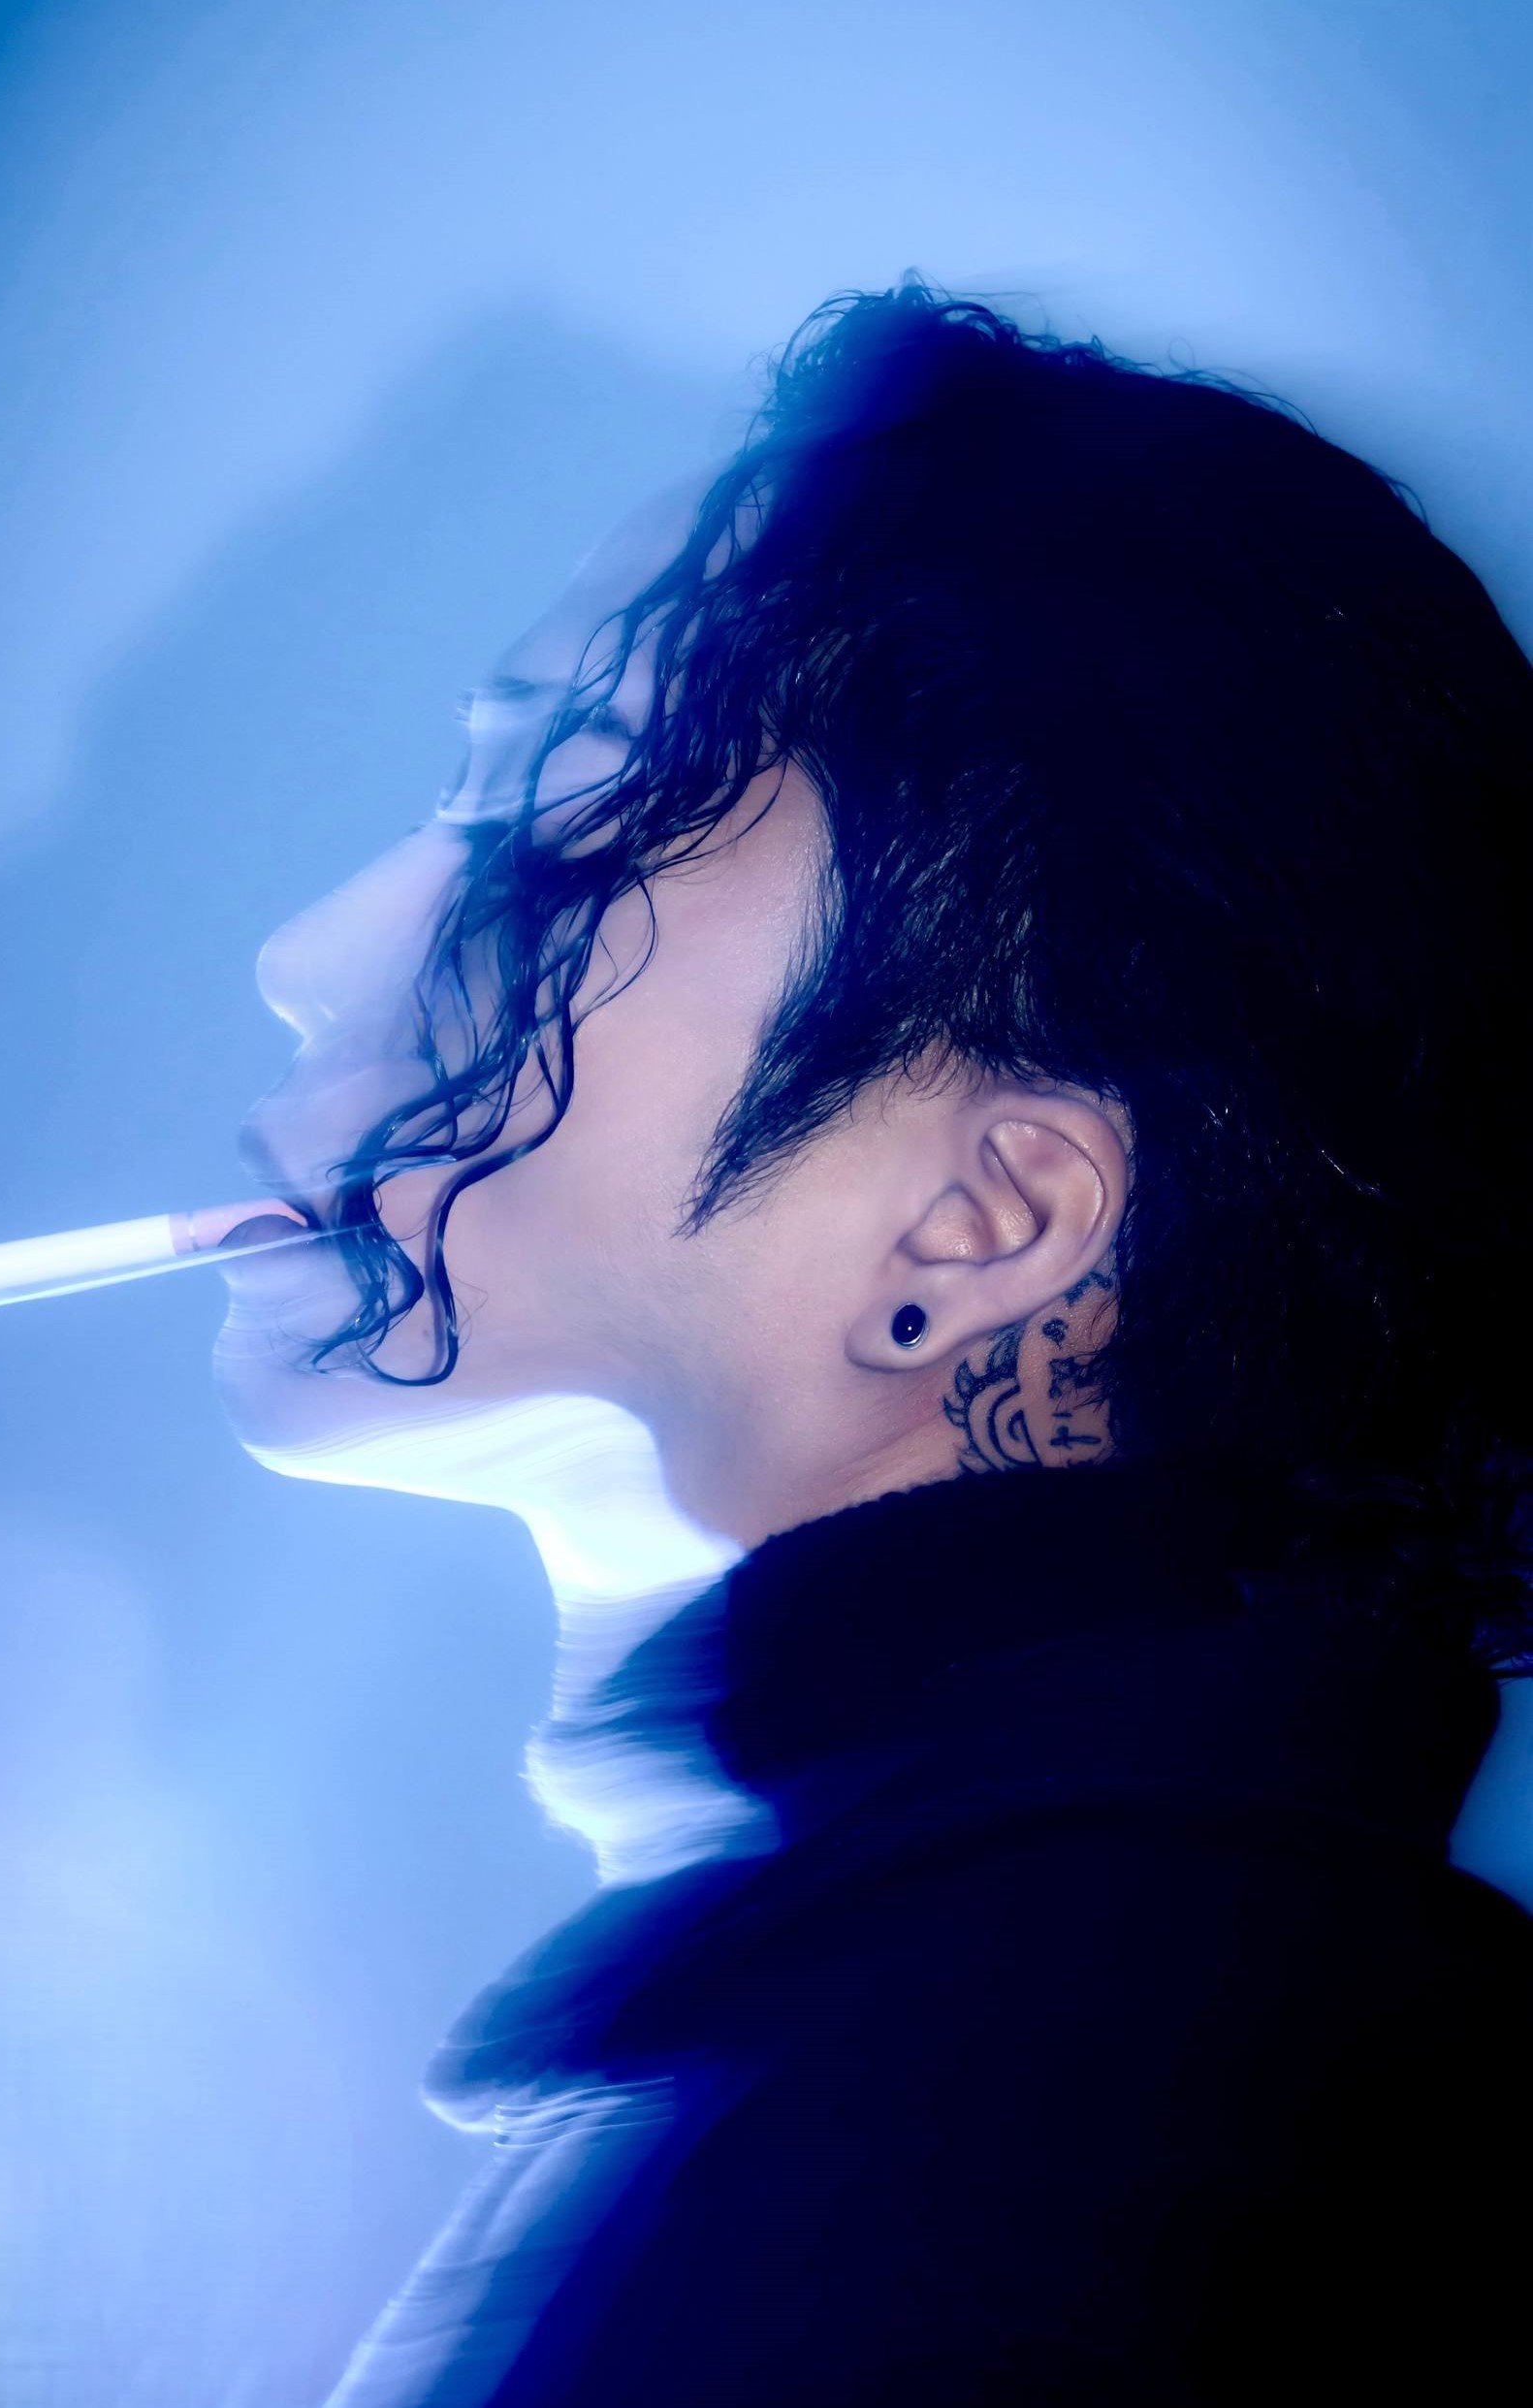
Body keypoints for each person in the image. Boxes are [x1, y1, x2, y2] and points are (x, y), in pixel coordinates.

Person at [214, 283, 1533, 2403]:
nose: (312, 954)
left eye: (561, 808)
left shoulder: (1027, 2145)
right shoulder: (1059, 2039)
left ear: (984, 1220)